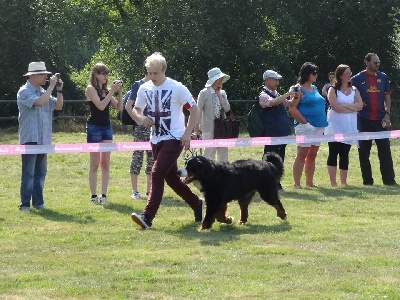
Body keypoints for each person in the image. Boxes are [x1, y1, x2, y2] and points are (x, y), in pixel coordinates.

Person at [130, 52, 203, 229]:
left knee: (156, 173)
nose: (152, 77)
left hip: (174, 138)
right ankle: (196, 203)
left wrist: (187, 133)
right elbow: (136, 109)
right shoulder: (144, 88)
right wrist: (141, 118)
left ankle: (147, 217)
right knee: (171, 179)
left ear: (163, 70)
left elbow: (194, 110)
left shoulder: (177, 88)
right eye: (149, 73)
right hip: (155, 139)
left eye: (156, 73)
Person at [17, 61, 64, 210]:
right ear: (34, 76)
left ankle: (38, 203)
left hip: (43, 139)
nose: (46, 77)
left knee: (41, 173)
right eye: (43, 74)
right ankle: (25, 205)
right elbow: (38, 103)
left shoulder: (45, 91)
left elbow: (58, 106)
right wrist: (50, 88)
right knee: (29, 173)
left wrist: (59, 90)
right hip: (30, 138)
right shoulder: (24, 91)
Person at [351, 53, 397, 186]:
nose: (377, 65)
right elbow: (349, 95)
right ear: (367, 62)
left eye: (378, 62)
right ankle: (368, 181)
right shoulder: (356, 79)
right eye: (375, 62)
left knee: (385, 151)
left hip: (380, 120)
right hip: (363, 120)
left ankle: (389, 181)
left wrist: (387, 113)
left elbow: (387, 97)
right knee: (364, 153)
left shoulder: (383, 77)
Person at [85, 63, 123, 204]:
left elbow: (119, 108)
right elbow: (100, 106)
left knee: (105, 163)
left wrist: (118, 92)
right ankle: (94, 195)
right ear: (96, 74)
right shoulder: (90, 89)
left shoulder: (107, 91)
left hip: (106, 127)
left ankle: (104, 195)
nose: (106, 77)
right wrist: (112, 91)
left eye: (107, 74)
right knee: (94, 164)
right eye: (103, 74)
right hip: (94, 127)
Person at [289, 62, 328, 189]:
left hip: (319, 126)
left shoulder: (315, 88)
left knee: (312, 155)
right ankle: (297, 184)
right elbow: (292, 108)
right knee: (302, 155)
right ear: (307, 74)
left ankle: (309, 182)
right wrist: (305, 124)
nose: (316, 75)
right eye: (314, 73)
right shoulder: (296, 89)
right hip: (305, 126)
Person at [324, 64, 363, 187]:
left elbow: (360, 105)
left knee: (345, 153)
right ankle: (333, 182)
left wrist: (346, 107)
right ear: (340, 76)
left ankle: (344, 182)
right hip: (335, 125)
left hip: (349, 125)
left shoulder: (354, 90)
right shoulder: (333, 89)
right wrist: (352, 107)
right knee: (333, 151)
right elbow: (335, 107)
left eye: (349, 73)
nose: (349, 75)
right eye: (346, 73)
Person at [258, 70, 295, 190]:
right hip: (271, 132)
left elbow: (289, 104)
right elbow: (272, 103)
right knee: (269, 158)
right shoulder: (263, 95)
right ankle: (263, 183)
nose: (277, 82)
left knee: (280, 158)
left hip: (282, 131)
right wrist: (288, 93)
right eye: (275, 80)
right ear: (267, 80)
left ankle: (276, 182)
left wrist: (296, 96)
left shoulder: (277, 93)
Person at [125, 72, 154, 199]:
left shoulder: (158, 85)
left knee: (152, 160)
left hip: (154, 128)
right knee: (137, 157)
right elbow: (128, 106)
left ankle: (150, 191)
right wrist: (138, 120)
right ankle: (135, 191)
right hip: (141, 128)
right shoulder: (138, 85)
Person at [196, 67, 231, 162]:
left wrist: (220, 95)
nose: (221, 81)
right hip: (208, 128)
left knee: (223, 155)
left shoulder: (223, 93)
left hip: (222, 127)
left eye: (221, 79)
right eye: (218, 79)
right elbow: (197, 111)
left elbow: (227, 108)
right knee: (209, 156)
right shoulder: (204, 93)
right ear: (213, 80)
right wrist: (196, 129)